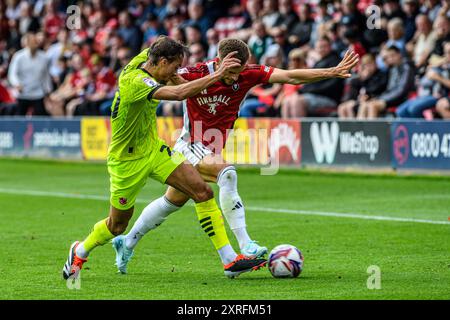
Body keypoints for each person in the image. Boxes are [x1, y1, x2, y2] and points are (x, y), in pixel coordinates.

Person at [113, 38, 359, 274]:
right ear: (218, 61)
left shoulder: (249, 74)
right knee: (227, 174)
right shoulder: (197, 73)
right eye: (230, 72)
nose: (233, 78)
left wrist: (332, 71)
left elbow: (290, 76)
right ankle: (246, 245)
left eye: (238, 72)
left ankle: (127, 242)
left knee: (171, 202)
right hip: (190, 143)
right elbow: (168, 80)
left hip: (212, 148)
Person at [62, 36, 267, 281]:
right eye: (174, 66)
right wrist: (218, 73)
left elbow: (158, 42)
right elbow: (180, 93)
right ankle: (81, 250)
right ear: (161, 62)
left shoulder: (148, 58)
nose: (176, 72)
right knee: (116, 226)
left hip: (154, 150)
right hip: (126, 161)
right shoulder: (135, 81)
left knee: (202, 192)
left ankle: (229, 260)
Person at [7, 32, 52, 116]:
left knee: (41, 117)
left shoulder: (43, 57)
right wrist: (16, 84)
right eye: (32, 41)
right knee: (20, 118)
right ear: (26, 43)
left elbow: (46, 76)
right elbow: (12, 73)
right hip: (23, 94)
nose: (35, 43)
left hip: (38, 94)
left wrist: (48, 91)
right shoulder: (18, 56)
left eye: (35, 41)